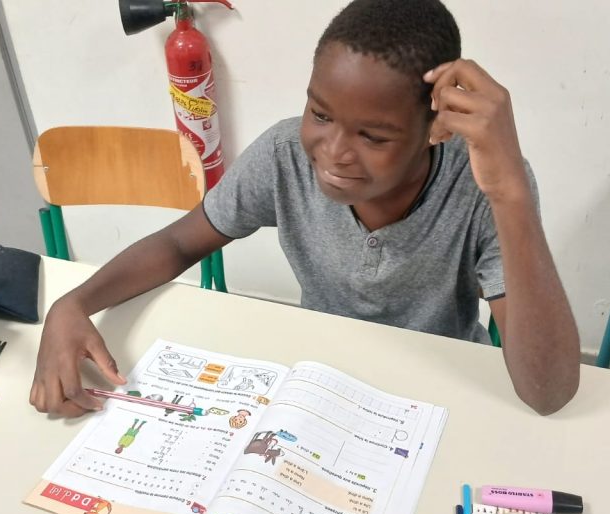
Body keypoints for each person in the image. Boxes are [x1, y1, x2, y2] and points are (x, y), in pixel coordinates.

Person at [30, 0, 579, 418]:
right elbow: (178, 243)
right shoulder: (284, 155)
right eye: (320, 114)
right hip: (320, 383)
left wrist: (511, 193)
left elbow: (548, 392)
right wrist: (73, 304)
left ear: (438, 127)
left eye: (373, 136)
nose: (334, 152)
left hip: (437, 396)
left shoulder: (483, 185)